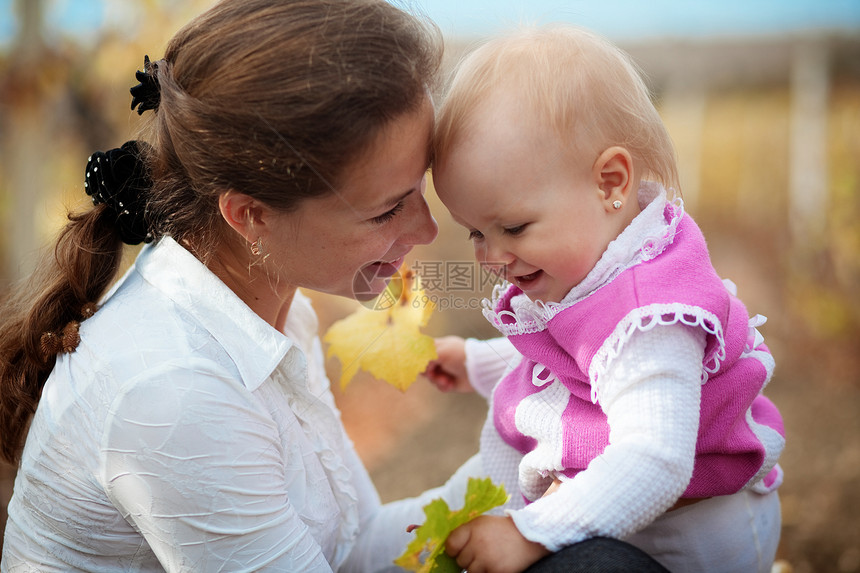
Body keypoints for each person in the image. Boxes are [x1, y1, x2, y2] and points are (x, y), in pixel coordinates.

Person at [0, 0, 444, 569]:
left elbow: (354, 548)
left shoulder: (267, 311)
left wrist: (550, 451)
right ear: (251, 215)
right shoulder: (176, 391)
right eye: (387, 211)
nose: (429, 230)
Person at [426, 25, 786, 573]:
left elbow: (655, 459)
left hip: (685, 544)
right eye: (475, 232)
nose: (490, 257)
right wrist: (478, 360)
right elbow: (578, 362)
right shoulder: (592, 269)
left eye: (514, 227)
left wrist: (531, 532)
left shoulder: (648, 316)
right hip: (636, 525)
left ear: (610, 182)